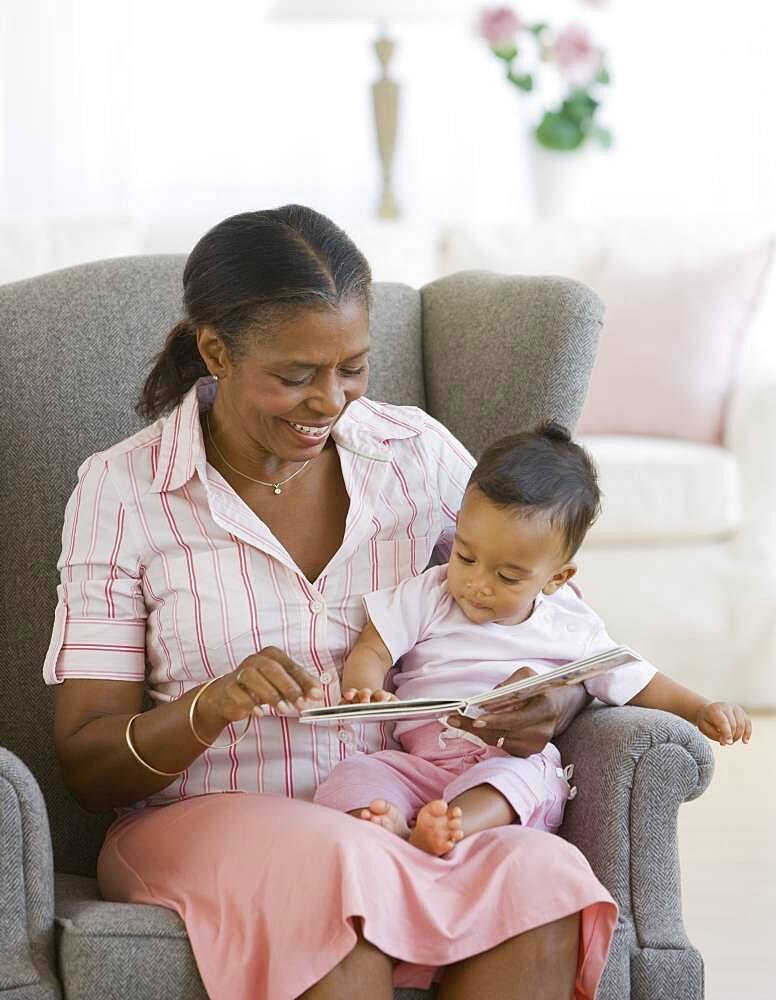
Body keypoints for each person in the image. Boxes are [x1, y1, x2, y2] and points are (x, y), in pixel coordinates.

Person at [44, 205, 618, 1000]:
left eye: (353, 367)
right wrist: (211, 707)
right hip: (204, 818)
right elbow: (86, 761)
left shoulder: (414, 454)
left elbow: (554, 612)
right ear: (216, 350)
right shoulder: (124, 490)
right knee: (334, 875)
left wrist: (552, 697)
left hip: (402, 804)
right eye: (296, 375)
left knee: (543, 874)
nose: (331, 400)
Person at [314, 425, 753, 856]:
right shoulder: (431, 592)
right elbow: (375, 644)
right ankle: (387, 821)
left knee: (528, 778)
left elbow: (637, 679)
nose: (476, 583)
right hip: (419, 763)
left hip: (504, 761)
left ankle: (449, 827)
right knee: (355, 774)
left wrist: (699, 708)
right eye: (466, 556)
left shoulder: (571, 627)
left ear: (557, 578)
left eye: (507, 576)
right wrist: (365, 684)